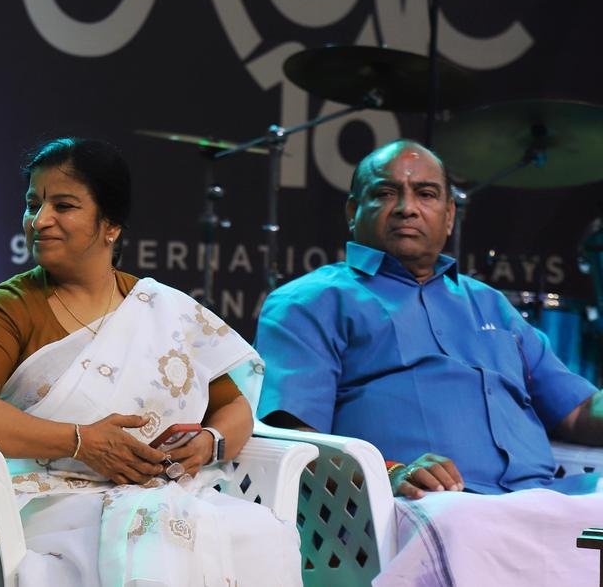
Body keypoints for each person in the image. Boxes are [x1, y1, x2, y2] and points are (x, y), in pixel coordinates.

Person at [0, 137, 301, 586]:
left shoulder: (163, 309)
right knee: (153, 533)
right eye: (32, 205)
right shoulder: (8, 307)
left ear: (111, 225)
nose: (39, 220)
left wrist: (209, 443)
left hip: (166, 493)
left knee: (263, 533)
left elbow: (235, 406)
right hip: (45, 501)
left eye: (63, 206)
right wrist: (80, 442)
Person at [256, 139, 603, 585]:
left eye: (426, 193)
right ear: (352, 211)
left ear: (449, 214)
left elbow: (578, 410)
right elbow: (294, 439)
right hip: (410, 508)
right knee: (460, 523)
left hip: (541, 499)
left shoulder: (490, 304)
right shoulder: (310, 302)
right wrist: (390, 473)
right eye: (385, 193)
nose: (407, 208)